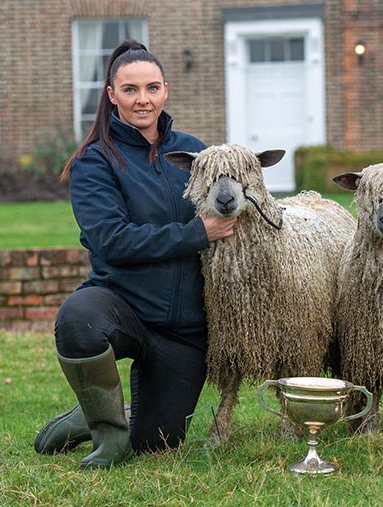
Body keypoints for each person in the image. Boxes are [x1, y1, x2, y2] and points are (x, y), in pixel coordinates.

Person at [32, 40, 235, 469]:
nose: (142, 99)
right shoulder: (95, 161)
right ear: (111, 95)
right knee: (77, 318)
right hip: (122, 305)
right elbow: (112, 240)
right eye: (129, 90)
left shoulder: (195, 152)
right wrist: (195, 233)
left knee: (157, 444)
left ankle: (91, 416)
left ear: (165, 90)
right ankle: (108, 438)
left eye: (152, 88)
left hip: (185, 329)